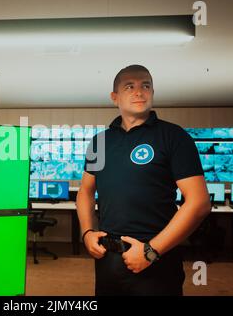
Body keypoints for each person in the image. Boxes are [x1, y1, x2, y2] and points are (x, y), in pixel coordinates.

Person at [76, 65, 211, 296]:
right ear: (114, 97)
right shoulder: (100, 142)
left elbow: (199, 202)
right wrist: (87, 232)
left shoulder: (173, 136)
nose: (139, 92)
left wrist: (151, 251)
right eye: (130, 86)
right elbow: (86, 192)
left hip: (155, 258)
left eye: (145, 86)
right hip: (108, 260)